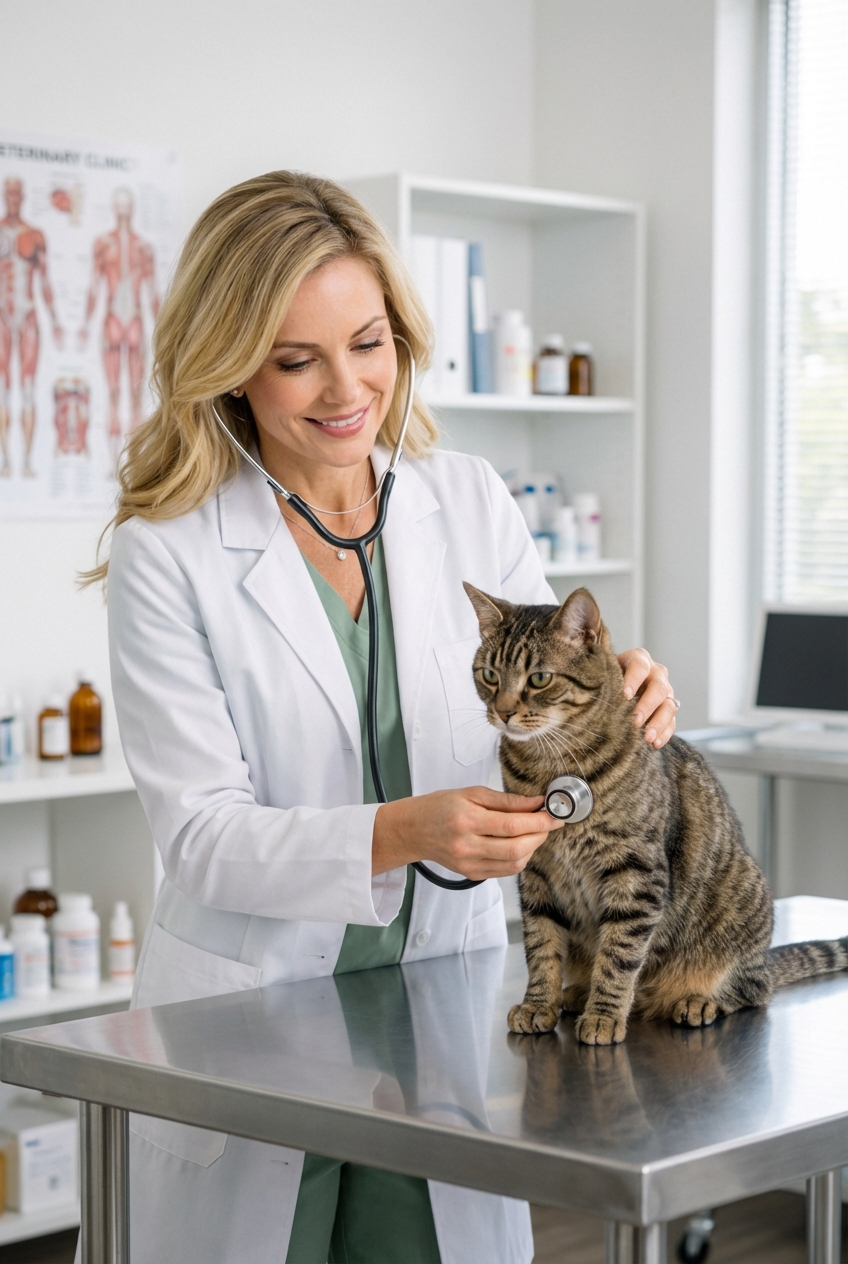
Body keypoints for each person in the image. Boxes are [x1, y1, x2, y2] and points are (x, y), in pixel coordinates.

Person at [98, 171, 678, 1264]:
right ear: (229, 366)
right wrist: (400, 831)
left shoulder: (465, 498)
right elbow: (202, 836)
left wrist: (618, 695)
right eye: (293, 357)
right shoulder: (167, 546)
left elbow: (538, 706)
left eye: (367, 342)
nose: (344, 390)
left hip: (435, 1023)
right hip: (253, 1029)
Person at [78, 187, 160, 466]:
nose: (123, 211)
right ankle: (114, 462)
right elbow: (93, 287)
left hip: (133, 320)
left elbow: (152, 293)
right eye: (120, 206)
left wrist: (166, 331)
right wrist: (84, 326)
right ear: (115, 209)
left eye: (127, 206)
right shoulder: (104, 244)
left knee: (135, 394)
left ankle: (132, 463)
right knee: (113, 392)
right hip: (113, 318)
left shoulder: (143, 247)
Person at [0, 176, 63, 477]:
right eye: (8, 194)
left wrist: (56, 321)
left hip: (27, 314)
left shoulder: (35, 235)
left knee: (26, 389)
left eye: (16, 194)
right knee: (2, 389)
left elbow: (46, 280)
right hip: (1, 314)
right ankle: (5, 460)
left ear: (22, 197)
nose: (12, 199)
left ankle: (24, 460)